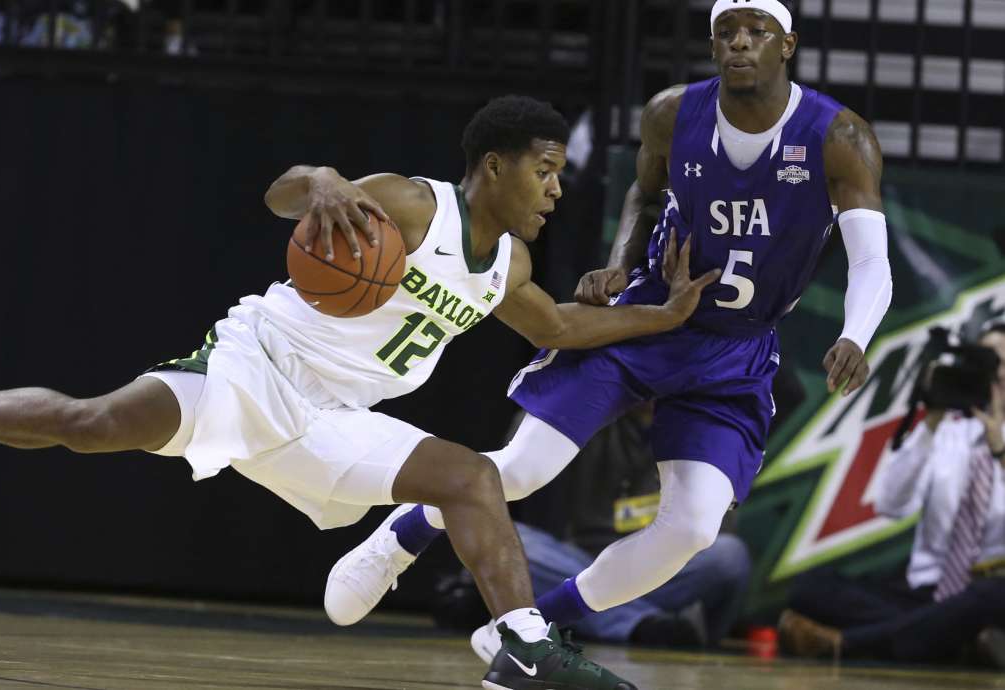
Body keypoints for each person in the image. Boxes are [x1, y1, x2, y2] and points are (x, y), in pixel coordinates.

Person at [0, 95, 723, 690]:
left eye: (560, 173)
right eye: (546, 169)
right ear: (494, 169)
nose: (558, 188)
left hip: (333, 418)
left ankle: (519, 645)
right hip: (255, 367)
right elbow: (286, 194)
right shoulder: (410, 205)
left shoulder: (509, 265)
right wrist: (322, 180)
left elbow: (559, 329)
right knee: (90, 425)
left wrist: (665, 315)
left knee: (472, 478)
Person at [324, 0, 895, 663]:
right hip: (646, 317)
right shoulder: (672, 113)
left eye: (756, 30)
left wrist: (857, 332)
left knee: (693, 528)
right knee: (525, 471)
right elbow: (644, 196)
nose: (739, 42)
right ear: (712, 45)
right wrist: (620, 265)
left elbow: (872, 260)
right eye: (725, 31)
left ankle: (533, 627)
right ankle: (407, 529)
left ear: (786, 44)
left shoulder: (839, 137)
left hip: (734, 348)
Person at [433, 405, 753, 649]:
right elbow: (523, 466)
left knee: (729, 554)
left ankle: (594, 619)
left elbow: (710, 532)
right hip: (579, 562)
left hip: (662, 570)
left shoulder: (707, 431)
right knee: (513, 538)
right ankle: (638, 624)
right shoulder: (594, 410)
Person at [779, 324, 1005, 667]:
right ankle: (953, 640)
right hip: (922, 593)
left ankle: (846, 644)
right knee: (810, 588)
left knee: (990, 595)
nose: (997, 372)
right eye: (988, 361)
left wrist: (999, 449)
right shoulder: (947, 430)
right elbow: (891, 505)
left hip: (985, 591)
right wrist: (929, 422)